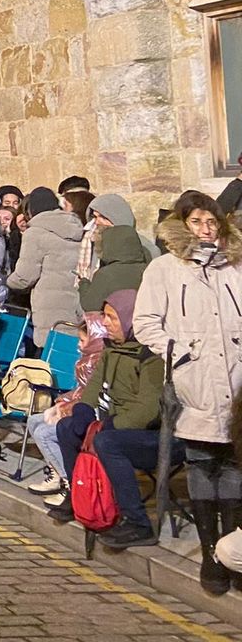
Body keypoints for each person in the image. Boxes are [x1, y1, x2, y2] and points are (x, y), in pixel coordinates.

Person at [134, 191, 242, 592]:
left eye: (211, 222)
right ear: (182, 225)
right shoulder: (165, 268)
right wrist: (179, 353)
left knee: (233, 464)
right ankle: (210, 552)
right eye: (196, 222)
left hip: (237, 383)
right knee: (201, 465)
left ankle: (232, 552)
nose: (206, 229)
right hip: (195, 383)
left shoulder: (235, 266)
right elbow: (146, 322)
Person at [43, 291, 163, 539]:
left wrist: (111, 425)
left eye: (112, 318)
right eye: (105, 316)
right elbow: (94, 385)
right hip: (115, 422)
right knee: (67, 428)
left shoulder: (151, 355)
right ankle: (78, 497)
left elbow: (148, 410)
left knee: (107, 442)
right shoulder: (112, 348)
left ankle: (137, 522)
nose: (105, 323)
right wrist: (83, 411)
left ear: (131, 320)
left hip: (151, 434)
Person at [7, 186, 84, 344]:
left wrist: (7, 281)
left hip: (50, 306)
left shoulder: (35, 233)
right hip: (77, 303)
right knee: (72, 351)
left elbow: (24, 277)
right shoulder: (76, 228)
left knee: (49, 352)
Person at [78, 193, 148, 312]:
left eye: (103, 217)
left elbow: (90, 304)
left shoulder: (145, 247)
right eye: (95, 217)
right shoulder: (93, 241)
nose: (97, 222)